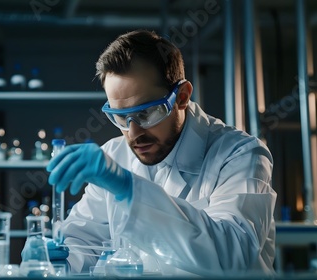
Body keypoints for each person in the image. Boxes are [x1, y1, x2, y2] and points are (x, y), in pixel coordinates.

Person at [25, 29, 276, 277]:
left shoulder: (241, 154)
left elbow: (232, 256)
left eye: (146, 113)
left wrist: (130, 190)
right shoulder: (114, 156)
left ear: (182, 97)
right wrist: (58, 259)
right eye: (120, 117)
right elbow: (84, 237)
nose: (133, 133)